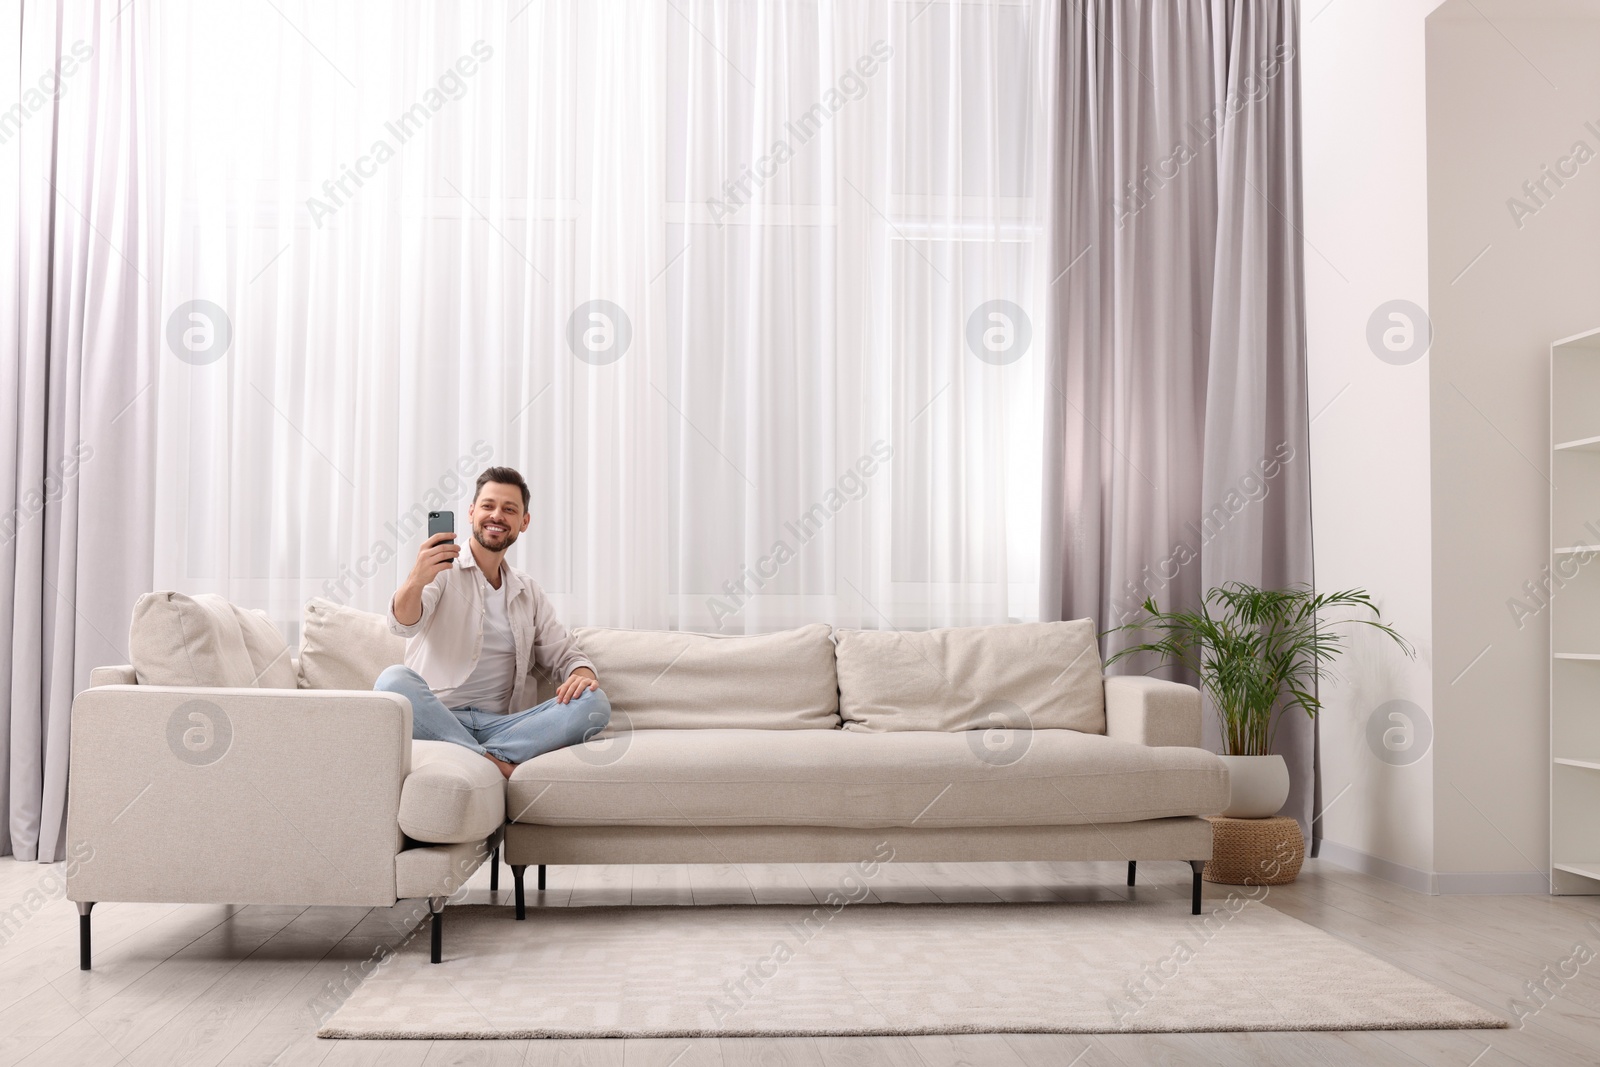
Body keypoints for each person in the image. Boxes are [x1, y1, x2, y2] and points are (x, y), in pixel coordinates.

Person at [375, 466, 609, 778]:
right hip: (439, 715)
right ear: (472, 512)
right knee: (392, 681)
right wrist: (415, 581)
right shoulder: (441, 571)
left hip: (504, 725)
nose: (496, 515)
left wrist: (580, 676)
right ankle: (494, 763)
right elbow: (402, 625)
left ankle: (471, 753)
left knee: (594, 703)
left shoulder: (529, 592)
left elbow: (567, 656)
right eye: (488, 506)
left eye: (509, 509)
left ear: (523, 522)